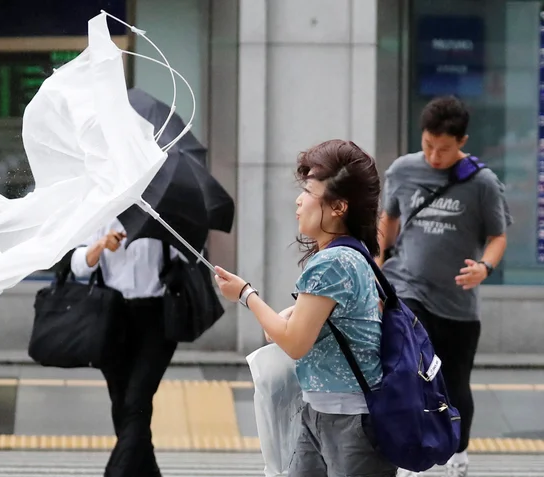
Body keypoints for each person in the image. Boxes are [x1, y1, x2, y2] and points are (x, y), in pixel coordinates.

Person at [215, 140, 396, 477]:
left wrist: (245, 294)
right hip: (324, 413)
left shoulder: (333, 262)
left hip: (350, 423)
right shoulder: (353, 254)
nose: (299, 200)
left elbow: (295, 343)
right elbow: (285, 334)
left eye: (309, 190)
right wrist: (282, 316)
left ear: (339, 205)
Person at [377, 96, 511, 477]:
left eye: (445, 149)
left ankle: (459, 452)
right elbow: (388, 218)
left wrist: (484, 267)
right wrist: (378, 258)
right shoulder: (403, 170)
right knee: (405, 372)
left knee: (455, 384)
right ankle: (407, 453)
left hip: (457, 303)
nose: (435, 156)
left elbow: (498, 237)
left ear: (462, 141)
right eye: (428, 146)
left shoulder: (482, 183)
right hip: (407, 289)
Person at [71, 218, 182, 477]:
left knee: (136, 401)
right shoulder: (101, 213)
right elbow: (78, 266)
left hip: (156, 319)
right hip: (112, 317)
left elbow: (189, 257)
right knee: (123, 403)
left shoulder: (160, 214)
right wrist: (99, 245)